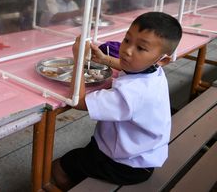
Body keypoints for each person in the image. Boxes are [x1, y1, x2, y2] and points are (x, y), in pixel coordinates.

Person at [52, 12, 182, 190]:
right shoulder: (155, 72)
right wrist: (105, 59)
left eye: (141, 48)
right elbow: (131, 67)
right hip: (144, 156)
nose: (127, 50)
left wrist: (79, 60)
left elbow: (78, 101)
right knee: (85, 152)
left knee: (59, 166)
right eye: (127, 40)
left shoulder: (130, 94)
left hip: (124, 165)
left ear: (163, 60)